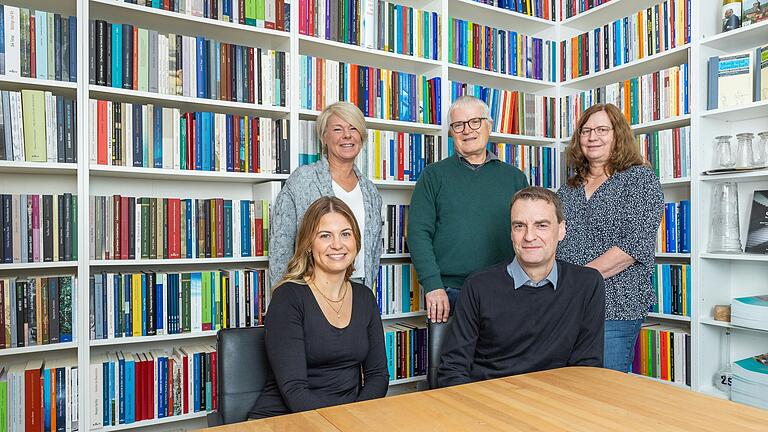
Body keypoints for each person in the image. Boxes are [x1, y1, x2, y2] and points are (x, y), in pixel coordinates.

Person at [437, 187, 605, 387]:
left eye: (541, 225)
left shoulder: (587, 284)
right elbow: (453, 370)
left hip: (555, 405)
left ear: (561, 230)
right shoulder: (478, 286)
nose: (529, 236)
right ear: (511, 232)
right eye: (519, 226)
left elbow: (586, 369)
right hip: (489, 403)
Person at [249, 197, 389, 418]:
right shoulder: (288, 298)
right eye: (325, 235)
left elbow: (378, 376)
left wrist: (356, 418)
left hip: (348, 418)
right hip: (287, 419)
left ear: (356, 242)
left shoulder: (365, 297)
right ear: (308, 245)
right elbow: (294, 391)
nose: (337, 244)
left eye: (345, 234)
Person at [556, 103, 664, 373]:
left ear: (618, 135)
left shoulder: (639, 179)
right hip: (566, 308)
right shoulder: (567, 189)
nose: (593, 137)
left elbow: (633, 246)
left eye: (602, 129)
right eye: (586, 130)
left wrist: (576, 282)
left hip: (615, 307)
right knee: (567, 388)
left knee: (606, 393)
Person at [408, 95, 528, 323]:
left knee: (505, 359)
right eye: (458, 125)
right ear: (451, 132)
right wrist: (433, 286)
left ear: (489, 126)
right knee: (452, 360)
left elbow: (528, 235)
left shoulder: (515, 178)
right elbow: (418, 234)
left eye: (475, 121)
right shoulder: (433, 176)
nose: (467, 130)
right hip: (449, 293)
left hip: (506, 289)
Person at [269, 101, 382, 288]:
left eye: (353, 128)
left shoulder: (370, 191)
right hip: (310, 288)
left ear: (361, 136)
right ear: (324, 137)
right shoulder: (302, 180)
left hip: (359, 286)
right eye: (338, 129)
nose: (347, 135)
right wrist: (282, 296)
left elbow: (375, 249)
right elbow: (280, 247)